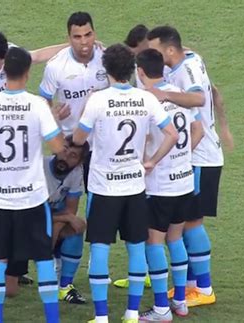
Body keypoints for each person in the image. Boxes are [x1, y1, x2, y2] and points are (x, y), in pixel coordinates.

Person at [73, 44, 178, 323]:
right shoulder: (146, 99)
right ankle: (132, 312)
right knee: (136, 248)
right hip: (134, 187)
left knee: (99, 248)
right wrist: (152, 161)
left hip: (104, 188)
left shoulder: (97, 100)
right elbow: (172, 133)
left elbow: (79, 139)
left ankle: (102, 316)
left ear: (106, 69)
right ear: (132, 69)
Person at [0, 46, 64, 323]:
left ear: (4, 70)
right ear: (27, 71)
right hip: (32, 199)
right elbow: (58, 147)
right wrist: (54, 121)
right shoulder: (37, 105)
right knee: (44, 259)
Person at [147, 26, 233, 307]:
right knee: (183, 225)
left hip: (201, 158)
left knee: (192, 223)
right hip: (199, 155)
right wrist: (224, 126)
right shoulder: (189, 59)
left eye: (156, 50)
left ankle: (204, 288)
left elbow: (199, 97)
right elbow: (214, 91)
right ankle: (192, 286)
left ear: (170, 50)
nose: (153, 56)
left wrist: (166, 96)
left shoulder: (187, 69)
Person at [135, 49, 204, 321]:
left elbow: (140, 142)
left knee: (154, 242)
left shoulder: (146, 101)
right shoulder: (178, 94)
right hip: (184, 182)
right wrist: (182, 158)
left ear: (140, 72)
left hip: (159, 185)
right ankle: (180, 301)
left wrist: (149, 161)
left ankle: (162, 307)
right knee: (175, 239)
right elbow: (198, 130)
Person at [4, 135, 89, 304]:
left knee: (75, 229)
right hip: (22, 225)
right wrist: (60, 221)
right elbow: (31, 213)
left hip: (47, 223)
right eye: (65, 151)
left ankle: (64, 286)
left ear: (79, 162)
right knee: (9, 291)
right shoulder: (39, 167)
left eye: (73, 156)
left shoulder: (76, 173)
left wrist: (60, 221)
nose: (65, 157)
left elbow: (70, 211)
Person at [39, 11, 109, 193]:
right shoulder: (56, 66)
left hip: (103, 141)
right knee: (66, 195)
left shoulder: (107, 59)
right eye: (77, 37)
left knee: (103, 196)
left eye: (88, 35)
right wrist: (53, 118)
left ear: (94, 33)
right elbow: (45, 98)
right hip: (71, 145)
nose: (84, 41)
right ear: (69, 38)